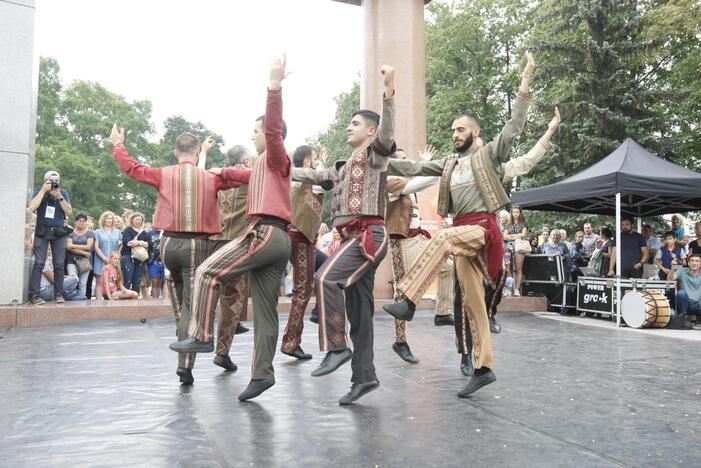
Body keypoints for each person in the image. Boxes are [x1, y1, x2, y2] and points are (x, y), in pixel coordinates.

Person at [383, 52, 536, 397]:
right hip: (464, 233)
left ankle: (408, 299)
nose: (455, 133)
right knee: (473, 305)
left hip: (483, 230)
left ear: (475, 132)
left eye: (460, 128)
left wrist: (525, 84)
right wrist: (383, 165)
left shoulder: (489, 154)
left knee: (444, 238)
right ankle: (483, 367)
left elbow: (514, 127)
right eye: (452, 129)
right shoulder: (450, 163)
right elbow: (414, 170)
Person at [169, 57, 291, 402]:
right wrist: (213, 172)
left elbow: (271, 129)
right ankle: (262, 374)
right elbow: (237, 176)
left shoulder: (277, 156)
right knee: (265, 311)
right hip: (277, 238)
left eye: (255, 131)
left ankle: (202, 335)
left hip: (264, 233)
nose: (253, 136)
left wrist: (274, 86)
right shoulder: (264, 169)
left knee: (207, 271)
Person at [110, 117, 249, 386]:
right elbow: (246, 178)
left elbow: (132, 168)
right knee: (191, 308)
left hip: (168, 244)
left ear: (176, 152)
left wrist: (118, 145)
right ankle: (185, 366)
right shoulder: (212, 177)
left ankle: (183, 353)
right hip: (197, 245)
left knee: (179, 304)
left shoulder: (162, 173)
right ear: (197, 152)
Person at [290, 64, 396, 405]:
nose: (348, 127)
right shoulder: (341, 166)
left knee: (324, 279)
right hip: (353, 238)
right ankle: (365, 378)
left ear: (370, 131)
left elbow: (388, 130)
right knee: (361, 314)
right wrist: (273, 165)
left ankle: (336, 347)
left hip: (370, 236)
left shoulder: (376, 155)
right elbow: (307, 174)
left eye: (355, 124)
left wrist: (389, 92)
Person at [385, 146, 455, 365]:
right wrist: (435, 169)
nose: (408, 162)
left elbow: (416, 180)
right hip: (401, 242)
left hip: (418, 238)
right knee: (401, 291)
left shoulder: (407, 180)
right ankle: (400, 341)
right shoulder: (389, 181)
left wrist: (424, 164)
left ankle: (442, 312)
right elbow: (415, 183)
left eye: (408, 159)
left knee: (448, 265)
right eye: (403, 160)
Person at [199, 142, 255, 372]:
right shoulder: (248, 176)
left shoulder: (215, 177)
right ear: (247, 161)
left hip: (214, 241)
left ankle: (211, 332)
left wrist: (203, 154)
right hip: (237, 242)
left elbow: (198, 176)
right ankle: (222, 350)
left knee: (217, 292)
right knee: (234, 297)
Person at [280, 145, 328, 361]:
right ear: (308, 162)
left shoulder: (294, 180)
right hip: (299, 239)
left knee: (327, 265)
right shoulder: (305, 181)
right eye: (314, 158)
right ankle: (290, 343)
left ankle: (319, 310)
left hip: (298, 238)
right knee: (301, 291)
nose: (317, 161)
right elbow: (324, 184)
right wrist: (321, 166)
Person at [27, 170, 73, 305]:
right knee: (39, 263)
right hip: (42, 231)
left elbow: (69, 211)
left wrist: (59, 197)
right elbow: (31, 207)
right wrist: (43, 190)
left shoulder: (63, 193)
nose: (54, 183)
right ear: (45, 180)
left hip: (59, 233)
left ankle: (59, 294)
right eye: (52, 180)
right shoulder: (40, 191)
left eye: (57, 180)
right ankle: (34, 295)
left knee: (59, 264)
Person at [93, 211, 122, 301]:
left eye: (111, 218)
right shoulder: (98, 232)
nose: (109, 220)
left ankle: (113, 300)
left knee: (115, 280)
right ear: (103, 219)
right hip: (101, 259)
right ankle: (98, 301)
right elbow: (96, 247)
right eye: (107, 218)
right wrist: (104, 258)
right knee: (99, 281)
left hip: (114, 261)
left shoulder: (117, 232)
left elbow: (121, 245)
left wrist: (116, 257)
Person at [66, 212, 95, 298]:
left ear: (86, 222)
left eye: (83, 221)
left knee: (83, 283)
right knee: (73, 281)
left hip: (85, 261)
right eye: (79, 221)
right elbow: (68, 247)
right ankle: (71, 300)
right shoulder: (70, 232)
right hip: (71, 260)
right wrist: (84, 252)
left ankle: (81, 300)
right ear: (75, 222)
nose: (81, 223)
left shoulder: (90, 233)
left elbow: (89, 247)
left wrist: (73, 246)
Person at [121, 212, 151, 293]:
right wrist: (142, 243)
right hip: (128, 257)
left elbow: (149, 244)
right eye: (136, 219)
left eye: (140, 220)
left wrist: (138, 243)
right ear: (132, 220)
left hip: (140, 258)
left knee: (137, 280)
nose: (138, 221)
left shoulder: (144, 232)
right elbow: (128, 243)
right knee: (127, 279)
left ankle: (135, 298)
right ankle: (125, 298)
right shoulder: (127, 230)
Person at [503, 207, 528, 295]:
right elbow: (504, 237)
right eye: (513, 212)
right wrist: (517, 235)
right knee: (506, 263)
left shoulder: (523, 224)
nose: (515, 214)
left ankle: (517, 289)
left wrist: (511, 236)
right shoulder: (508, 224)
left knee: (518, 268)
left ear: (520, 213)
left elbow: (523, 235)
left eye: (517, 212)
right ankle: (509, 286)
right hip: (509, 246)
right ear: (511, 213)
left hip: (519, 246)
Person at [673, 254, 701, 328]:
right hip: (685, 304)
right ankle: (684, 319)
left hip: (699, 304)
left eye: (697, 261)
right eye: (692, 261)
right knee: (680, 293)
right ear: (688, 263)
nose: (694, 263)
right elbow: (670, 279)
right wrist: (672, 267)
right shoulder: (682, 271)